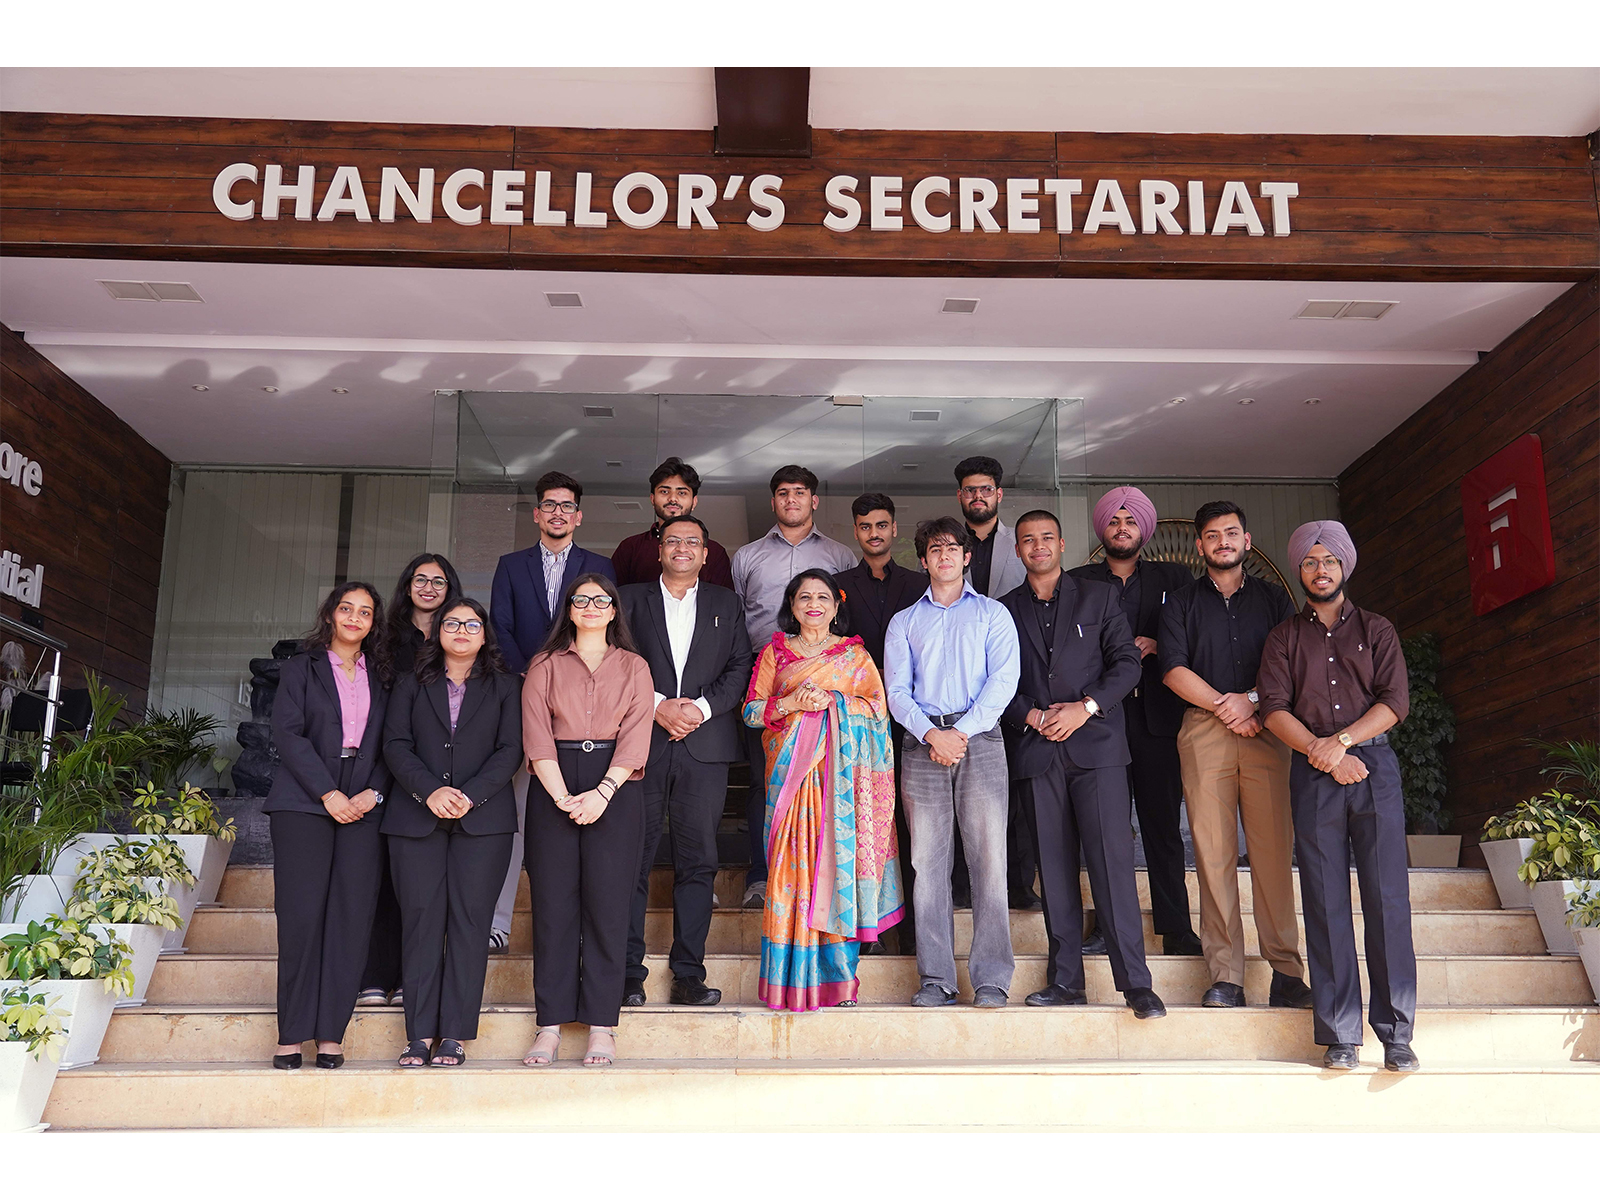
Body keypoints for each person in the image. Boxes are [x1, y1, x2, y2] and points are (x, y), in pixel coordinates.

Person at [1260, 521, 1417, 1072]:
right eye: (1309, 561)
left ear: (1344, 566)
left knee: (1387, 900)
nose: (1320, 569)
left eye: (1329, 560)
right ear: (1299, 570)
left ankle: (1396, 1034)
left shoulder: (1378, 629)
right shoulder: (1283, 638)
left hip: (1374, 769)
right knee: (1325, 902)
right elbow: (1273, 708)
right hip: (1313, 774)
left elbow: (1394, 701)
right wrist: (1321, 751)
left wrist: (1343, 742)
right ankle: (1339, 1034)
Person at [999, 511, 1166, 1018]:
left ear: (1062, 543)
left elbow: (1127, 664)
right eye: (1028, 540)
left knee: (1112, 865)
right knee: (1053, 868)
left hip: (1098, 751)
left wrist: (1085, 707)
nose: (1038, 546)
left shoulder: (1100, 597)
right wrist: (1030, 715)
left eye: (1047, 537)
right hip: (1037, 750)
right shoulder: (1001, 610)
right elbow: (993, 680)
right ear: (1018, 550)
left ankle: (1136, 984)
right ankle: (1065, 980)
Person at [1158, 501, 1313, 1009]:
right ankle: (1226, 975)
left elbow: (1292, 663)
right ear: (1199, 545)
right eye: (1212, 535)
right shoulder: (1180, 602)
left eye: (1230, 533)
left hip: (1268, 727)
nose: (1221, 541)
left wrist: (1251, 700)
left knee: (1272, 852)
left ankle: (1286, 972)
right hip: (1205, 730)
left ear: (1246, 541)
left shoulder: (1273, 598)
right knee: (1213, 854)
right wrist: (1227, 707)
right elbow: (1173, 669)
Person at [743, 569, 904, 1009]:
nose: (813, 604)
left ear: (836, 607)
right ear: (791, 606)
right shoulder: (776, 652)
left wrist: (833, 701)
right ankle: (788, 981)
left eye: (822, 598)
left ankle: (838, 981)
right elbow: (752, 712)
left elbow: (878, 710)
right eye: (804, 597)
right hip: (790, 784)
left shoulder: (854, 655)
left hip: (842, 789)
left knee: (837, 870)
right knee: (790, 872)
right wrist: (791, 702)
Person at [885, 517, 1021, 1008]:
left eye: (952, 548)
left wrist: (959, 734)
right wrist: (932, 734)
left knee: (989, 861)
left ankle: (992, 979)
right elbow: (896, 691)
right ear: (923, 560)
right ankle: (937, 979)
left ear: (966, 557)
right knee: (927, 864)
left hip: (979, 741)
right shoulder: (904, 621)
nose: (944, 556)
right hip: (922, 744)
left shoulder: (993, 614)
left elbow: (1004, 681)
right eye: (934, 549)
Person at [519, 574, 653, 1068]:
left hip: (615, 786)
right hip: (553, 780)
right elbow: (536, 736)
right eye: (582, 600)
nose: (592, 606)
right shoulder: (544, 665)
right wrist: (562, 797)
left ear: (614, 610)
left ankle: (602, 1026)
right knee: (553, 906)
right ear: (570, 609)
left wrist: (602, 793)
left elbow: (637, 737)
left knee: (608, 907)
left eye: (601, 600)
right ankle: (549, 1026)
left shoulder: (635, 666)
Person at [382, 598, 522, 1067]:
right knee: (421, 922)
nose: (462, 630)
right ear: (438, 632)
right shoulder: (410, 683)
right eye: (453, 623)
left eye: (472, 624)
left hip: (483, 823)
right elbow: (395, 745)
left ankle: (455, 1035)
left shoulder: (506, 686)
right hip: (415, 820)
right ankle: (419, 1035)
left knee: (470, 924)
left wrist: (468, 795)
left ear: (485, 635)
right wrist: (430, 791)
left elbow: (510, 750)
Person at [620, 515, 753, 1008]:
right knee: (632, 859)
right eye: (672, 540)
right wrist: (657, 706)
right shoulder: (628, 600)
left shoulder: (726, 603)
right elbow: (614, 662)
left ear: (705, 553)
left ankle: (688, 974)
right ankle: (626, 974)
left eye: (692, 542)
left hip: (705, 745)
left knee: (699, 862)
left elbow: (741, 666)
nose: (682, 548)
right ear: (659, 550)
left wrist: (699, 709)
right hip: (641, 743)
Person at [1068, 488, 1203, 957]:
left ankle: (1177, 928)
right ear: (1102, 529)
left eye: (1130, 521)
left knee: (1163, 827)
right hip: (1100, 722)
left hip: (1157, 721)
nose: (1121, 527)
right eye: (1114, 520)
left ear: (1143, 529)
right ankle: (1108, 927)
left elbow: (1195, 636)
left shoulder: (1175, 578)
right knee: (1105, 832)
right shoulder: (1078, 581)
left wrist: (1161, 645)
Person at [262, 582, 391, 1070]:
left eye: (365, 612)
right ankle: (292, 1034)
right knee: (301, 920)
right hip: (304, 801)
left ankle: (331, 1034)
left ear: (374, 623)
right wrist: (327, 793)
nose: (355, 617)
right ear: (331, 614)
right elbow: (288, 735)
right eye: (346, 608)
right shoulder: (302, 668)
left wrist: (373, 792)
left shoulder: (385, 677)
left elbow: (393, 743)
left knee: (350, 922)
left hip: (364, 803)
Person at [488, 471, 616, 956]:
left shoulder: (599, 565)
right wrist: (533, 676)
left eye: (566, 506)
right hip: (524, 697)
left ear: (578, 516)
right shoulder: (510, 565)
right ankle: (498, 922)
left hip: (584, 712)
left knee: (581, 816)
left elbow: (604, 628)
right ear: (537, 514)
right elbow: (499, 628)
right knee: (517, 813)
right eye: (549, 505)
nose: (557, 513)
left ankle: (581, 929)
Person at [730, 465, 856, 909]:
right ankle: (763, 875)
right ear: (773, 501)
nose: (791, 500)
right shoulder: (747, 557)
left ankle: (825, 878)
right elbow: (737, 620)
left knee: (828, 784)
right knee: (763, 781)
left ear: (813, 500)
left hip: (828, 682)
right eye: (783, 493)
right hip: (766, 678)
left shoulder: (841, 555)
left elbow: (846, 621)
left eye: (800, 493)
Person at [357, 553, 464, 1010]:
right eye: (421, 579)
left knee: (420, 891)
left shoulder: (457, 639)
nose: (429, 587)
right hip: (384, 760)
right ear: (407, 586)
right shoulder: (384, 637)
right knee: (383, 878)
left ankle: (410, 978)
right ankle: (375, 975)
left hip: (436, 770)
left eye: (439, 581)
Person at [836, 493, 926, 947]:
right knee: (863, 823)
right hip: (857, 722)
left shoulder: (920, 583)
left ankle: (911, 930)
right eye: (866, 526)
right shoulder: (837, 586)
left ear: (894, 529)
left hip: (914, 720)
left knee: (910, 822)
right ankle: (866, 926)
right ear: (856, 531)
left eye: (882, 525)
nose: (874, 533)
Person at [954, 455, 1035, 910]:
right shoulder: (949, 544)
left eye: (986, 489)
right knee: (961, 790)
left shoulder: (1019, 543)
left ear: (999, 494)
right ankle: (962, 884)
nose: (978, 496)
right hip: (959, 689)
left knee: (1015, 790)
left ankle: (1019, 884)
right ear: (960, 496)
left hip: (1014, 680)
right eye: (970, 489)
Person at [610, 457, 735, 589]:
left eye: (682, 493)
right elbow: (613, 597)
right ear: (652, 499)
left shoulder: (714, 552)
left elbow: (724, 600)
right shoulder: (630, 548)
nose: (673, 499)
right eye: (664, 491)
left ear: (694, 502)